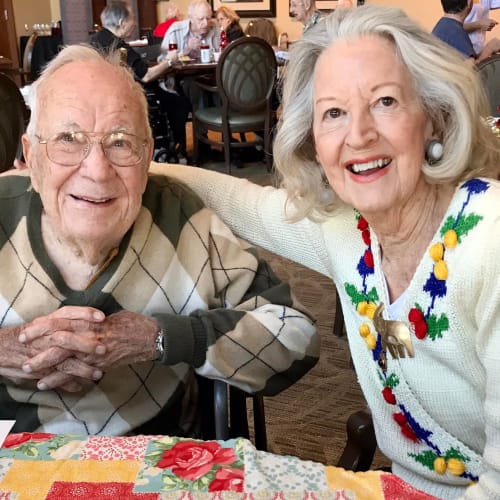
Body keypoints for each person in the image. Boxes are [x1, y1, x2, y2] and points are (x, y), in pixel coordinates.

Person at [161, 5, 500, 499]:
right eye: (334, 113)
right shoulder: (347, 231)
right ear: (313, 140)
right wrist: (118, 162)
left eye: (384, 101)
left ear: (433, 116)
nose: (358, 135)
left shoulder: (489, 243)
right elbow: (240, 201)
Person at [0, 43, 318, 436]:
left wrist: (163, 338)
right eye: (69, 138)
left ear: (147, 154)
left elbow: (296, 337)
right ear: (31, 157)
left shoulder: (182, 218)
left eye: (120, 142)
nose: (97, 170)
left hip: (155, 466)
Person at [90, 1, 191, 161]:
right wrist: (170, 61)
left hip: (102, 97)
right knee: (180, 104)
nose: (135, 23)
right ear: (122, 23)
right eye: (133, 19)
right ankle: (176, 150)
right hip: (127, 97)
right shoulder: (118, 45)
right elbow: (146, 75)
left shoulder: (95, 40)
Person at [432, 0, 500, 62]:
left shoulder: (443, 25)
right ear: (469, 2)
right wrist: (489, 49)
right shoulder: (457, 34)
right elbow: (470, 71)